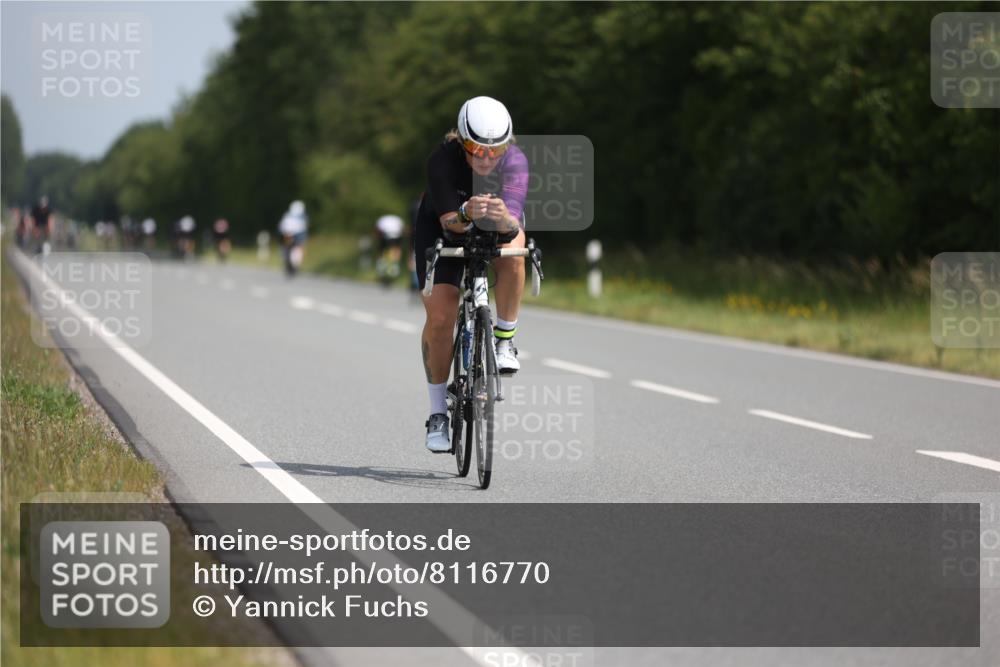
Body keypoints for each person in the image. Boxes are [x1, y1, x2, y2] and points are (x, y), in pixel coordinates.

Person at [413, 96, 529, 452]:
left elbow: (512, 224)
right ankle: (437, 414)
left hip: (496, 227)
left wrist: (501, 217)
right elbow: (451, 223)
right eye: (477, 147)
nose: (486, 157)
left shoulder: (515, 162)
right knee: (441, 315)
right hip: (443, 229)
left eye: (495, 149)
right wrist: (465, 212)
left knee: (515, 249)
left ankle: (505, 338)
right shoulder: (442, 160)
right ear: (462, 141)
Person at [278, 200, 309, 277]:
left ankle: (291, 264)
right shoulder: (303, 216)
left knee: (288, 249)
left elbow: (281, 227)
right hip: (292, 235)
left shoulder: (288, 215)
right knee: (294, 249)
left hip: (288, 235)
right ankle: (292, 265)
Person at [374, 213, 405, 285]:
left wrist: (377, 239)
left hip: (385, 235)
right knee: (397, 249)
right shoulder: (397, 219)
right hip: (396, 236)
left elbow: (377, 231)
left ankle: (381, 265)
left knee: (381, 250)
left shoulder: (382, 219)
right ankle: (395, 266)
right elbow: (402, 230)